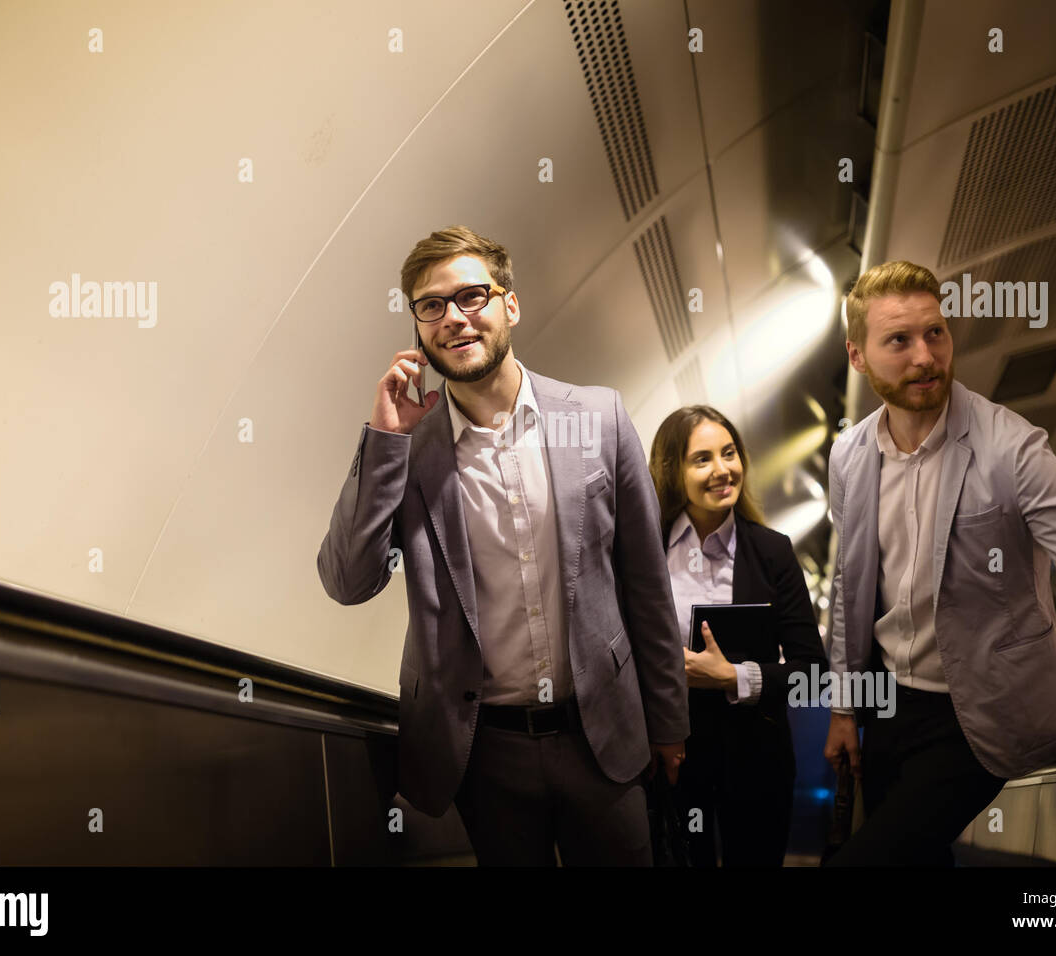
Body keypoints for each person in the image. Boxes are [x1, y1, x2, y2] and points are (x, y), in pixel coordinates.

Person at [316, 225, 689, 865]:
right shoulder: (410, 449)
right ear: (417, 325)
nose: (453, 319)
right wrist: (384, 441)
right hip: (485, 755)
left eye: (471, 297)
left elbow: (647, 588)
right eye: (430, 305)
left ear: (509, 305)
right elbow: (349, 581)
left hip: (600, 736)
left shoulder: (597, 419)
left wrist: (669, 722)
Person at [822, 260, 1056, 866]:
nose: (926, 356)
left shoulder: (1014, 449)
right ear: (858, 356)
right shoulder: (850, 454)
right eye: (899, 340)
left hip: (982, 713)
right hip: (890, 705)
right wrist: (844, 706)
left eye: (935, 333)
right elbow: (849, 588)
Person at [649, 405, 827, 866]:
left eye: (729, 453)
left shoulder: (772, 552)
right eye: (702, 459)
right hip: (672, 757)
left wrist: (734, 677)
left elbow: (813, 673)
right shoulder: (643, 550)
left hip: (757, 759)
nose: (723, 469)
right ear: (673, 471)